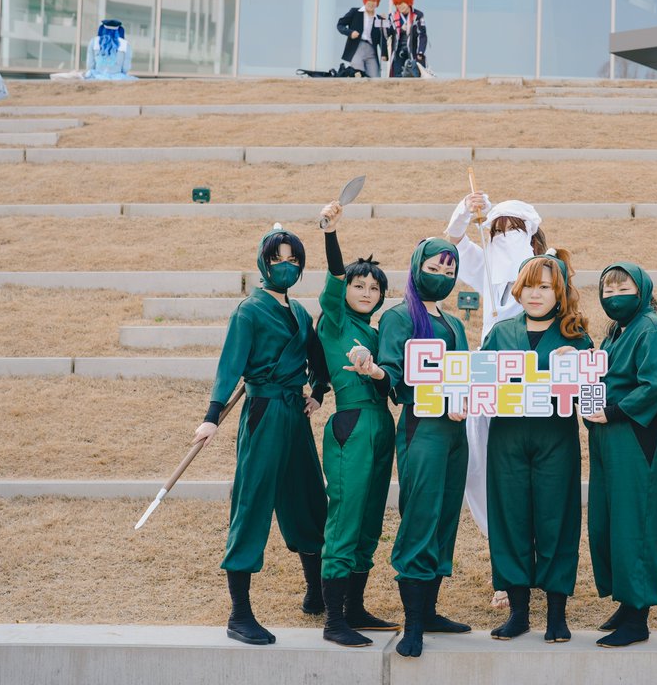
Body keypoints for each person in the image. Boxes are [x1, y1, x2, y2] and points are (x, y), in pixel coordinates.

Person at [191, 224, 329, 646]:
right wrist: (212, 416)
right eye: (277, 260)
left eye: (293, 261)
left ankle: (316, 593)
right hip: (264, 412)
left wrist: (319, 393)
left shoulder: (300, 312)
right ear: (263, 263)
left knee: (308, 497)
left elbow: (316, 356)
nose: (285, 267)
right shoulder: (248, 311)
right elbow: (230, 365)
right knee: (251, 505)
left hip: (295, 415)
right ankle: (239, 613)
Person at [444, 195, 547, 611]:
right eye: (498, 229)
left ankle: (539, 563)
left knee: (535, 476)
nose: (505, 237)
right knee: (488, 473)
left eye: (514, 229)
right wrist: (466, 211)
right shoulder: (484, 264)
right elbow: (451, 242)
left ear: (531, 233)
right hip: (489, 374)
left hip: (535, 376)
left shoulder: (549, 268)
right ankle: (505, 573)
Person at [371, 238, 471, 658]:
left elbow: (464, 373)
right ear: (415, 267)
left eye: (450, 272)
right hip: (423, 428)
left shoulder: (455, 323)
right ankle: (412, 624)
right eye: (435, 268)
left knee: (446, 516)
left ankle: (429, 610)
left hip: (456, 433)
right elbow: (396, 375)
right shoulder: (398, 317)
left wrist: (466, 398)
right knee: (421, 516)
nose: (442, 277)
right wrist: (377, 372)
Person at [483, 251, 590, 644]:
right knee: (510, 519)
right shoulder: (501, 332)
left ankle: (557, 615)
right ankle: (518, 612)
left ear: (559, 291)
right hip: (508, 438)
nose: (535, 294)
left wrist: (576, 365)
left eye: (544, 286)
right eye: (529, 285)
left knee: (555, 520)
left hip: (555, 439)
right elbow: (480, 386)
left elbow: (592, 399)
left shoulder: (576, 336)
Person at [313, 201, 398, 647]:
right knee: (345, 518)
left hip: (383, 426)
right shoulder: (334, 321)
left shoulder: (381, 329)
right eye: (358, 284)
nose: (365, 291)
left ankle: (356, 608)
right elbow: (330, 282)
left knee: (368, 522)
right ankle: (334, 621)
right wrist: (330, 233)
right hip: (351, 423)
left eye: (373, 287)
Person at [587, 263, 657, 648]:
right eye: (606, 289)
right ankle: (626, 602)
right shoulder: (614, 333)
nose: (613, 294)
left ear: (641, 289)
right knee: (607, 521)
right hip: (607, 435)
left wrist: (612, 411)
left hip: (638, 434)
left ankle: (638, 616)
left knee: (636, 522)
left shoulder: (652, 329)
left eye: (621, 286)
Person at [337, 0, 389, 78]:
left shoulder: (379, 19)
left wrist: (384, 53)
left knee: (375, 76)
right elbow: (340, 25)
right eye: (369, 0)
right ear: (365, 1)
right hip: (357, 47)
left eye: (374, 1)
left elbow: (384, 37)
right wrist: (350, 32)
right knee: (358, 74)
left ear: (377, 3)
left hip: (371, 50)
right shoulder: (355, 12)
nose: (371, 3)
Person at [386, 0, 427, 78]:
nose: (400, 6)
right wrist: (383, 23)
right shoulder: (392, 16)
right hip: (398, 52)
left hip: (413, 51)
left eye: (402, 3)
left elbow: (422, 35)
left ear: (408, 1)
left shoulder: (418, 15)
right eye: (397, 4)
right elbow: (386, 33)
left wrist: (420, 52)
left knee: (414, 76)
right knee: (397, 77)